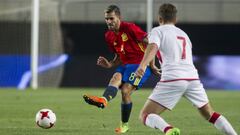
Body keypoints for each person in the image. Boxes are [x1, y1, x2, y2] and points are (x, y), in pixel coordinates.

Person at [135, 3, 238, 135]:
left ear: (160, 19)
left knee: (145, 114)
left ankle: (169, 130)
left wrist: (143, 65)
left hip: (172, 79)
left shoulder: (157, 31)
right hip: (192, 79)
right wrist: (153, 64)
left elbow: (153, 46)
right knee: (210, 115)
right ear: (175, 19)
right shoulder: (184, 34)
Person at [83, 5, 160, 134]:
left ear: (119, 17)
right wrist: (109, 64)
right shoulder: (109, 36)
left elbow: (151, 43)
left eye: (111, 18)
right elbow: (119, 56)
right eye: (106, 19)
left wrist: (151, 65)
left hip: (140, 65)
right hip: (125, 65)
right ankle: (103, 100)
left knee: (125, 91)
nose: (108, 21)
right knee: (115, 78)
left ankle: (124, 125)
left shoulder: (130, 28)